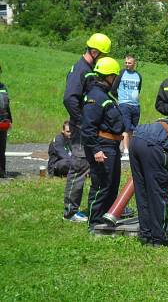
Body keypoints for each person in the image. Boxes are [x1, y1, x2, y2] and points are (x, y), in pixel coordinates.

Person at [62, 33, 111, 222]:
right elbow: (69, 99)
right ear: (94, 51)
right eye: (104, 54)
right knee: (79, 165)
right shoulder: (80, 69)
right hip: (81, 127)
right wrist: (82, 121)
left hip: (89, 127)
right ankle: (71, 212)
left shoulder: (88, 68)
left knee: (90, 165)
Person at [82, 57, 124, 231]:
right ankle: (94, 222)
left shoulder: (105, 95)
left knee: (112, 184)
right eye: (114, 77)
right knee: (101, 185)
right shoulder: (95, 97)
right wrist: (96, 150)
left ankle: (105, 216)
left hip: (111, 146)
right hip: (102, 146)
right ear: (108, 77)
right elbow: (88, 128)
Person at [130, 118, 168, 247]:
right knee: (159, 193)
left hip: (135, 139)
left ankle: (145, 235)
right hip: (154, 144)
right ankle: (159, 238)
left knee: (142, 192)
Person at [112, 55, 142, 161]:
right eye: (126, 62)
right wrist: (120, 99)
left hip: (135, 105)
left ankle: (131, 150)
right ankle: (125, 151)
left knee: (133, 129)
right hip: (124, 104)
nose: (127, 64)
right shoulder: (121, 73)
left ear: (134, 64)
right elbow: (113, 89)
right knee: (126, 127)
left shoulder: (138, 75)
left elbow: (138, 89)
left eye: (129, 63)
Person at [0, 62, 12, 178]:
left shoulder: (3, 87)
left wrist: (10, 119)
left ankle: (2, 172)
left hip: (2, 122)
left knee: (1, 148)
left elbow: (7, 105)